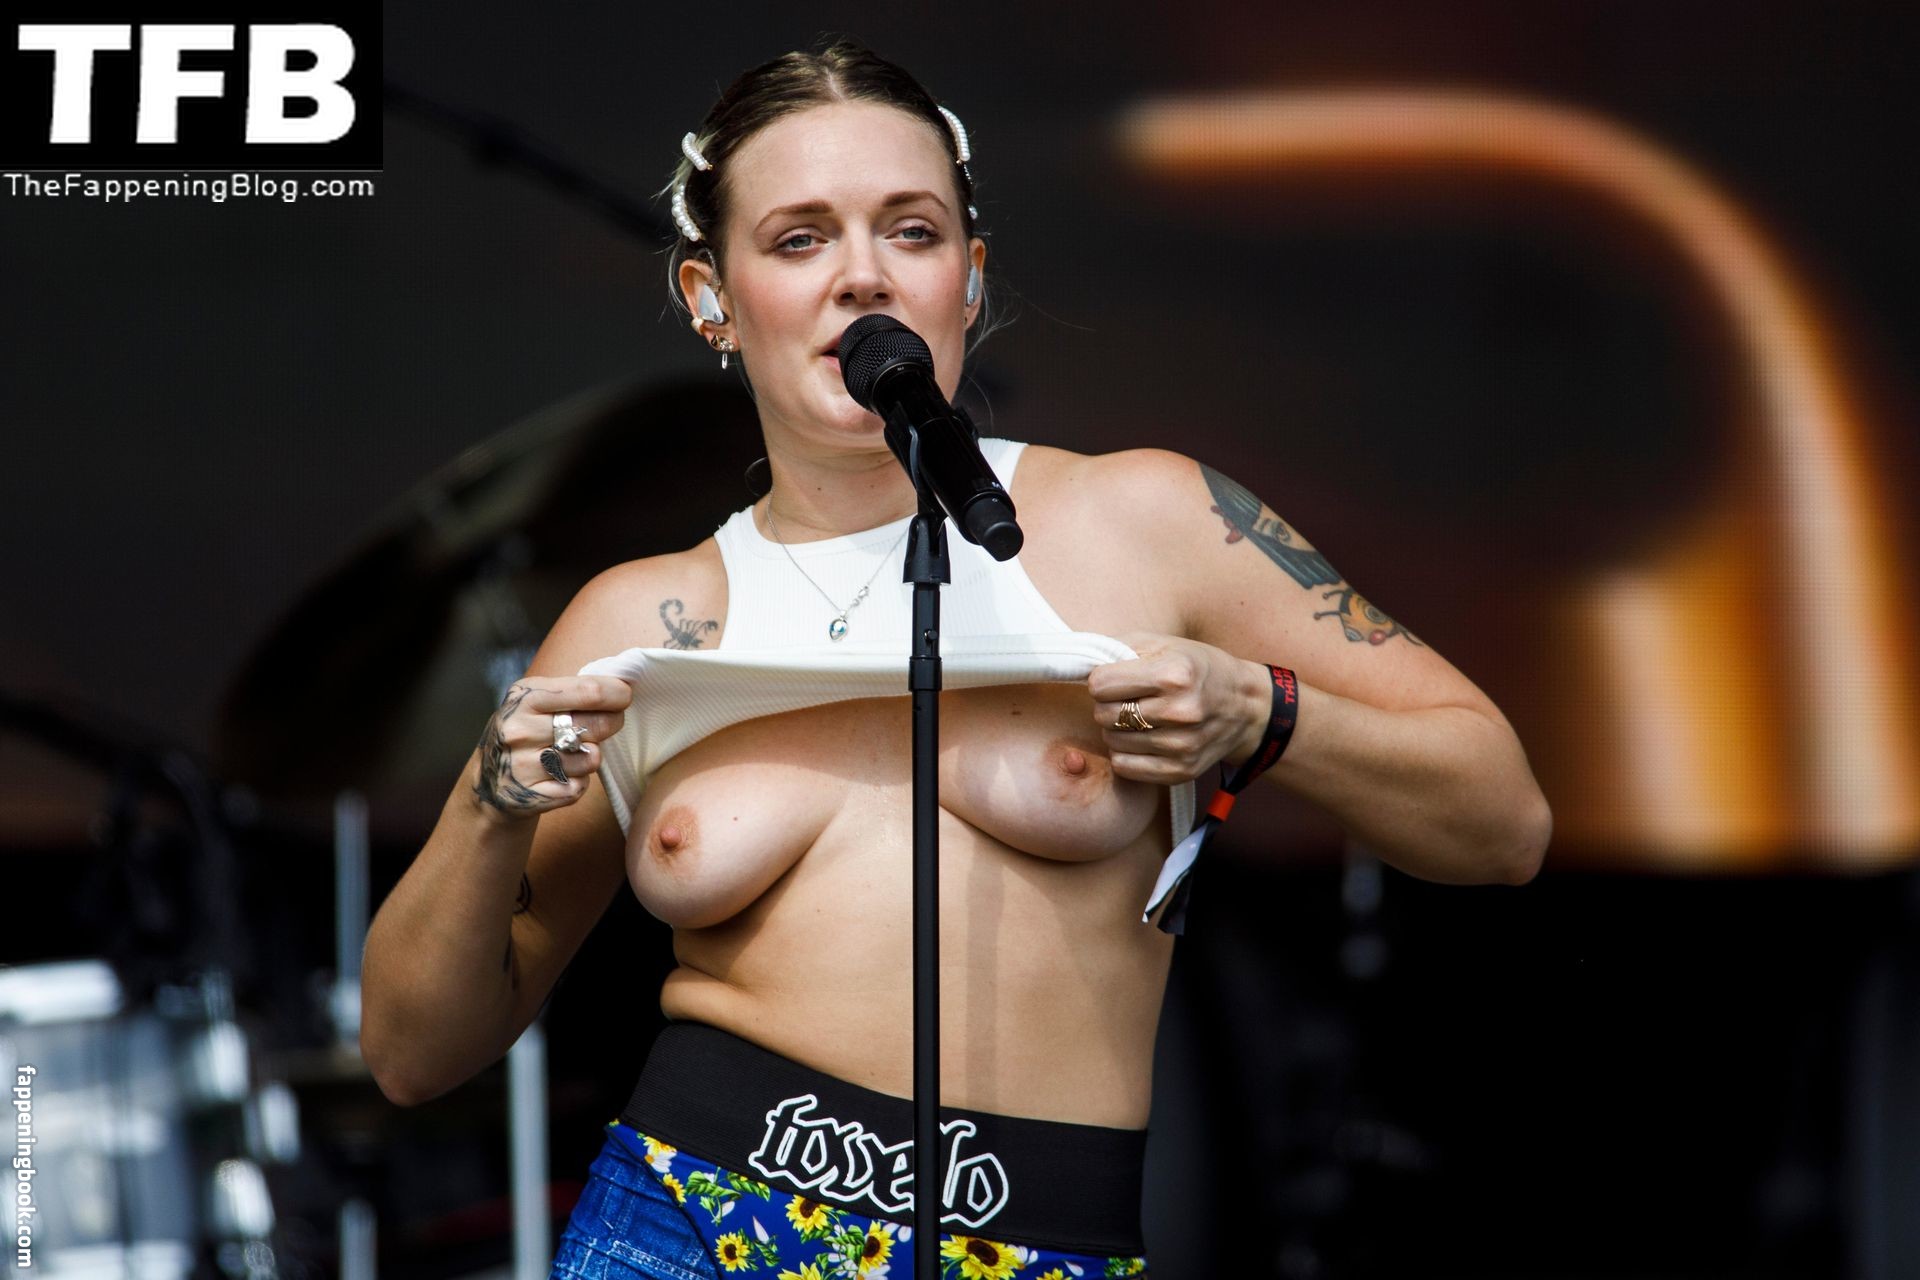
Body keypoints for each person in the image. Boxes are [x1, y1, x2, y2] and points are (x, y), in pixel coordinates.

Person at [359, 36, 1553, 1280]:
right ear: (712, 296)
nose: (862, 276)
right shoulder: (643, 615)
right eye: (800, 238)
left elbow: (1503, 820)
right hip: (683, 1225)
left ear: (969, 278)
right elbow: (410, 1052)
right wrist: (490, 804)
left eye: (912, 231)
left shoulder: (1149, 518)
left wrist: (1260, 710)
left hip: (1034, 1242)